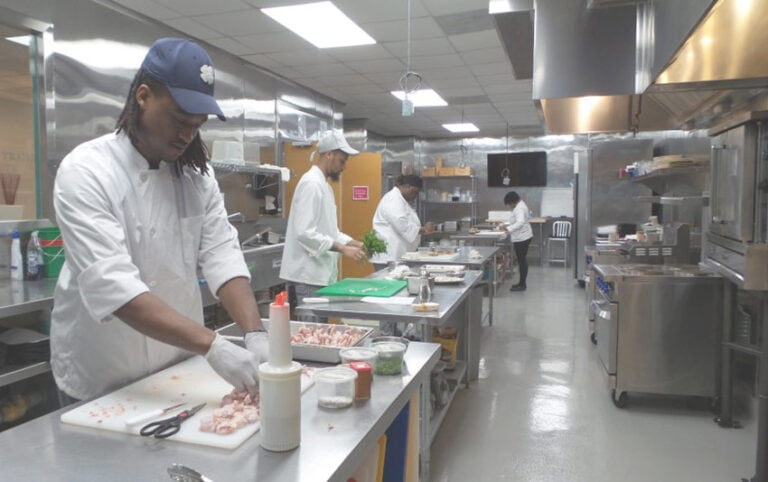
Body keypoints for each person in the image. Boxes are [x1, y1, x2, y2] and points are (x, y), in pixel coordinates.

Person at [50, 38, 269, 404]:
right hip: (103, 373)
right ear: (143, 96)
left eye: (197, 125)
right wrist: (213, 345)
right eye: (179, 120)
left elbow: (222, 255)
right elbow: (113, 286)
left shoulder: (197, 176)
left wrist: (255, 332)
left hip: (176, 367)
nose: (187, 135)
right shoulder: (87, 170)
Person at [280, 130, 367, 309]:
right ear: (329, 154)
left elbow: (330, 231)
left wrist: (354, 243)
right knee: (311, 325)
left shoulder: (323, 186)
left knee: (320, 323)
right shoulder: (311, 184)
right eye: (342, 161)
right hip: (308, 275)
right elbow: (305, 233)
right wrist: (343, 249)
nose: (344, 167)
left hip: (319, 274)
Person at [370, 174, 435, 270]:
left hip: (395, 255)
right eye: (414, 192)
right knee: (388, 279)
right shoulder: (393, 199)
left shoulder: (400, 200)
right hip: (388, 256)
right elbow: (402, 225)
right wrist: (424, 230)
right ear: (407, 186)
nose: (415, 196)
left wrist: (422, 229)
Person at [502, 191, 534, 291]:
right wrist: (508, 226)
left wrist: (508, 229)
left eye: (509, 204)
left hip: (522, 238)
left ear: (513, 201)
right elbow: (516, 221)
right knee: (522, 260)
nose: (509, 206)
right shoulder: (520, 205)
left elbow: (520, 222)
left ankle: (522, 284)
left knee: (522, 261)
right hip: (523, 237)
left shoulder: (519, 208)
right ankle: (521, 283)